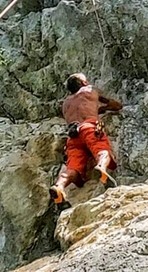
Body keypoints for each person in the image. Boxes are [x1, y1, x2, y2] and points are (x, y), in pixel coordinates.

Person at [50, 72, 123, 204]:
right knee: (102, 150)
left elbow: (81, 111)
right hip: (90, 127)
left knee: (73, 168)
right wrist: (105, 108)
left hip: (73, 135)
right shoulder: (89, 91)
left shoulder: (66, 103)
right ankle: (101, 167)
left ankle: (59, 186)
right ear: (83, 83)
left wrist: (96, 110)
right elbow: (116, 105)